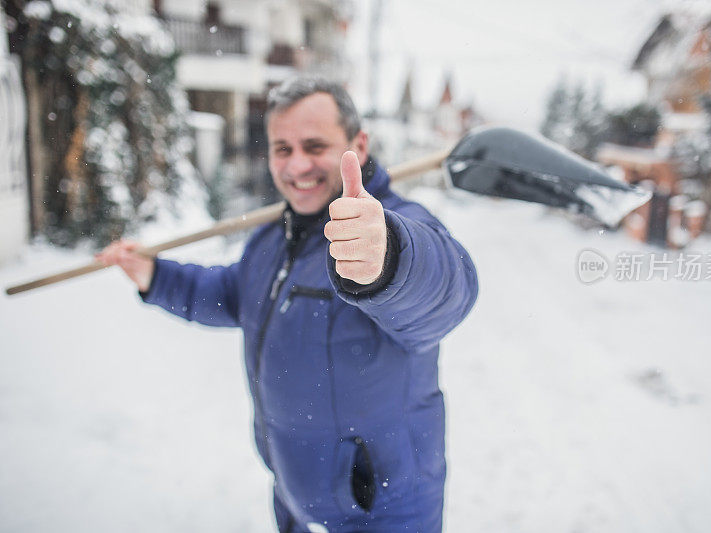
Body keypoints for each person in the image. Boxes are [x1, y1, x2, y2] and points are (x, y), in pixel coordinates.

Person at [96, 77, 479, 533]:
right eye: (283, 148)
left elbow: (446, 290)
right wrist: (155, 277)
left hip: (383, 510)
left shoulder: (395, 225)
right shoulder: (273, 239)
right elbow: (231, 295)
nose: (297, 165)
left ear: (358, 143)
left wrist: (388, 258)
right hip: (294, 498)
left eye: (315, 146)